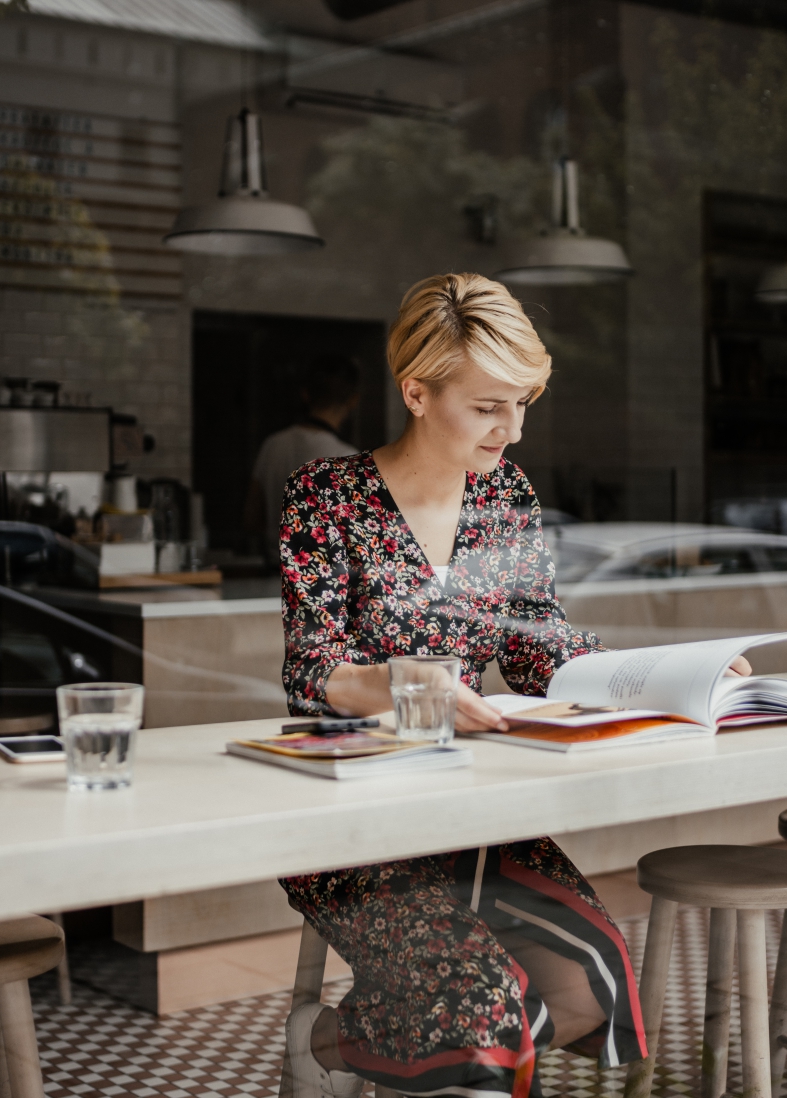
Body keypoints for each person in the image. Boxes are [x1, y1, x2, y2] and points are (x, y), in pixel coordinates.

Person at [278, 273, 751, 1098]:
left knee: (599, 981)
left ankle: (388, 1041)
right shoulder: (325, 498)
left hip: (475, 810)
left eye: (524, 402)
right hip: (355, 817)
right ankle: (374, 1042)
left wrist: (673, 673)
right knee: (485, 1013)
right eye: (490, 405)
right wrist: (406, 685)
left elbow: (536, 646)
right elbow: (314, 666)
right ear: (417, 392)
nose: (515, 428)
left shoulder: (507, 496)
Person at [245, 354, 359, 570]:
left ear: (305, 394)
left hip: (274, 573)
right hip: (324, 581)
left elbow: (252, 519)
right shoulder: (349, 459)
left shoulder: (273, 446)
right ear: (353, 400)